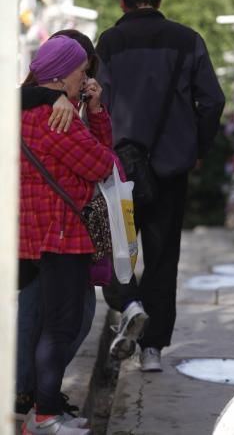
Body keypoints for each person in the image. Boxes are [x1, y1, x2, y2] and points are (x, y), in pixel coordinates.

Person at [96, 0, 225, 372]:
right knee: (163, 254)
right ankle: (152, 350)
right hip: (171, 169)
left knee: (117, 247)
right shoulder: (188, 40)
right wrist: (197, 147)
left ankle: (131, 304)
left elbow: (99, 102)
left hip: (119, 168)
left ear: (122, 0)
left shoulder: (111, 43)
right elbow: (213, 101)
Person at [20, 35, 116, 435]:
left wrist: (90, 109)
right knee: (60, 326)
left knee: (46, 321)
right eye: (81, 70)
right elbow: (101, 163)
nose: (85, 77)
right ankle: (44, 414)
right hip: (60, 231)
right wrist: (90, 113)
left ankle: (41, 407)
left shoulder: (30, 110)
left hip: (36, 231)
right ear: (61, 75)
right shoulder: (54, 118)